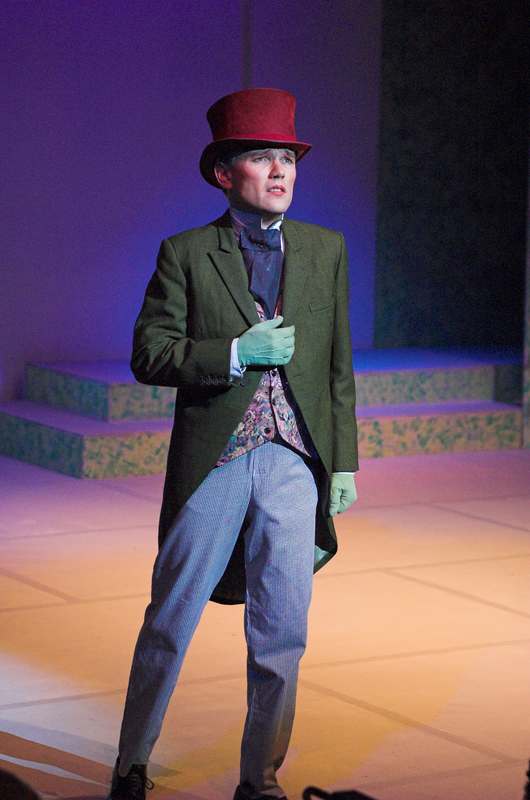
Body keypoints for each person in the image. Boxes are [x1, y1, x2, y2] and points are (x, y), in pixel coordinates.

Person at [106, 87, 359, 800]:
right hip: (215, 457)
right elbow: (149, 353)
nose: (280, 171)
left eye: (288, 158)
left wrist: (343, 462)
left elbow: (338, 365)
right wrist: (237, 353)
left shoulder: (326, 249)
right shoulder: (186, 253)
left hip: (294, 459)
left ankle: (261, 780)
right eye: (261, 157)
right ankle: (131, 764)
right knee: (171, 617)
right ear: (224, 173)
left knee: (283, 631)